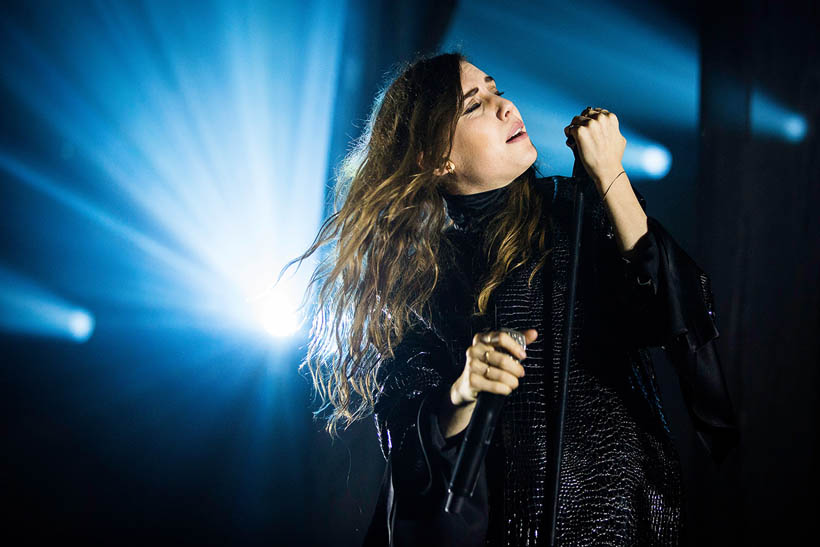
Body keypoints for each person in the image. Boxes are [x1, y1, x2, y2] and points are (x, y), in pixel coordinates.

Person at [285, 52, 738, 546]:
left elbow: (671, 312)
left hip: (625, 517)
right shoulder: (422, 286)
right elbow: (409, 434)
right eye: (474, 105)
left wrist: (610, 176)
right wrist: (463, 389)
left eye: (496, 89)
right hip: (513, 526)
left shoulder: (576, 213)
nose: (505, 106)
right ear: (438, 158)